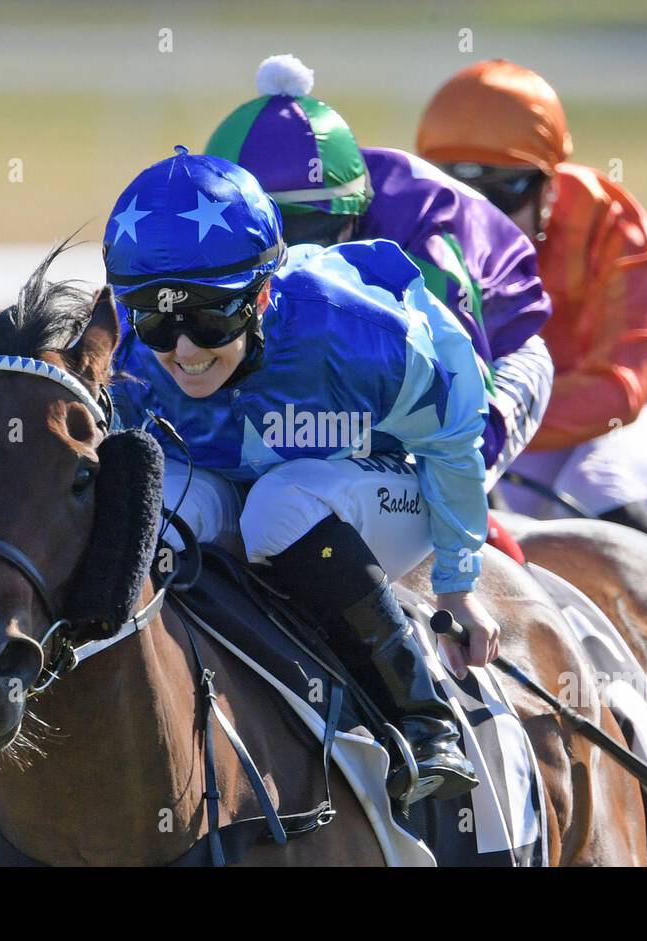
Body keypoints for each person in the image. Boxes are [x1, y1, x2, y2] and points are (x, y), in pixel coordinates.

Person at [104, 147, 500, 801]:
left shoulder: (357, 335)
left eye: (210, 316)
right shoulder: (119, 352)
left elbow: (456, 442)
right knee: (159, 513)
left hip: (373, 480)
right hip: (228, 480)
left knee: (279, 505)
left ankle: (424, 722)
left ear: (262, 295)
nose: (182, 349)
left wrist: (459, 582)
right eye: (154, 319)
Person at [416, 60, 647, 560]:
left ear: (551, 185)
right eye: (457, 191)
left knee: (596, 486)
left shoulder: (609, 222)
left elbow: (620, 390)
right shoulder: (419, 235)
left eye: (505, 191)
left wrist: (475, 421)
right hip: (526, 414)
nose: (481, 222)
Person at [204, 54, 555, 492]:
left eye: (310, 237)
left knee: (441, 469)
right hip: (355, 347)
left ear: (355, 215)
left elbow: (463, 408)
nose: (289, 262)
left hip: (492, 350)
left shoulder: (423, 242)